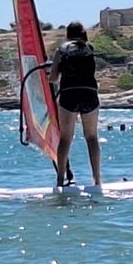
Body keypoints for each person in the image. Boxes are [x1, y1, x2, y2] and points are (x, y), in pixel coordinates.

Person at [49, 21, 102, 187]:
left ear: (67, 34)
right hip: (89, 94)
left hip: (69, 95)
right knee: (92, 137)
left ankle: (59, 181)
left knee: (65, 138)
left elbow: (53, 78)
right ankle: (97, 180)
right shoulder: (90, 48)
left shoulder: (61, 50)